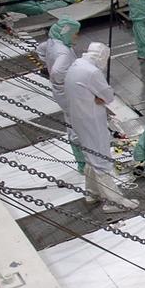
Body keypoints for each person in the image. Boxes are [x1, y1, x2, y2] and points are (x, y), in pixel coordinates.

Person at [64, 42, 138, 213]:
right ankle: (114, 201)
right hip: (92, 120)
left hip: (79, 118)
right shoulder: (92, 72)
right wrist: (101, 97)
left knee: (91, 156)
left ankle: (92, 192)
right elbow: (108, 96)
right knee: (101, 159)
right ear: (102, 56)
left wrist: (98, 96)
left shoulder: (76, 65)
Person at [35, 17, 87, 172]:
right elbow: (58, 72)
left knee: (73, 122)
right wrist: (69, 79)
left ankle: (82, 160)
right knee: (77, 125)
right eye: (75, 33)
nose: (76, 36)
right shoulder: (62, 51)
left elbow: (40, 49)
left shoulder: (53, 42)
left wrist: (48, 66)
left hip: (62, 91)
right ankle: (84, 162)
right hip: (68, 92)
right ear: (67, 32)